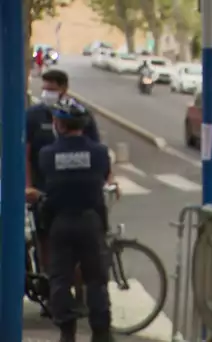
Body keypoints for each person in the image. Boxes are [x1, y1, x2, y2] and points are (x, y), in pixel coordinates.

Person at [37, 98, 117, 342]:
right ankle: (100, 332)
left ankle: (66, 331)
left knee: (60, 278)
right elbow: (104, 177)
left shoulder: (48, 154)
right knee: (95, 279)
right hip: (90, 220)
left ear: (59, 125)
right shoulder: (99, 153)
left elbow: (46, 181)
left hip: (60, 222)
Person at [26, 69, 101, 315]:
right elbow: (26, 152)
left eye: (51, 88)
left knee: (76, 254)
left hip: (74, 195)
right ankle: (54, 299)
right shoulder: (34, 116)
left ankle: (75, 299)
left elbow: (96, 150)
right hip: (43, 192)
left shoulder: (82, 116)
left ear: (64, 89)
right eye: (44, 87)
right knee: (47, 248)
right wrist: (28, 185)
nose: (46, 92)